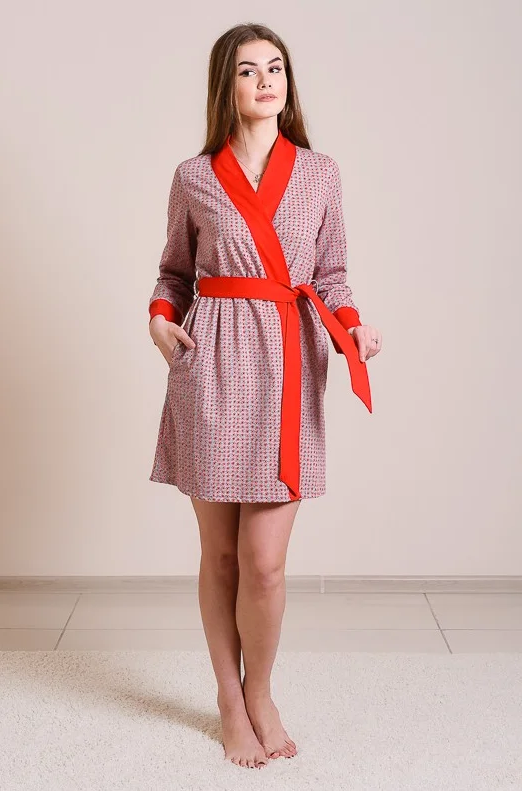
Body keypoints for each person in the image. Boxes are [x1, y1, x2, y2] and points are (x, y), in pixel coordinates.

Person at [148, 23, 382, 770]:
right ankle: (228, 698)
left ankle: (262, 691)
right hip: (212, 365)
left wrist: (352, 325)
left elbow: (332, 273)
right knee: (220, 555)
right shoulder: (194, 176)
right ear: (227, 86)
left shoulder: (319, 173)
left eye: (275, 68)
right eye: (248, 71)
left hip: (288, 364)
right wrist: (160, 321)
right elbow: (173, 273)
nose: (265, 81)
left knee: (266, 561)